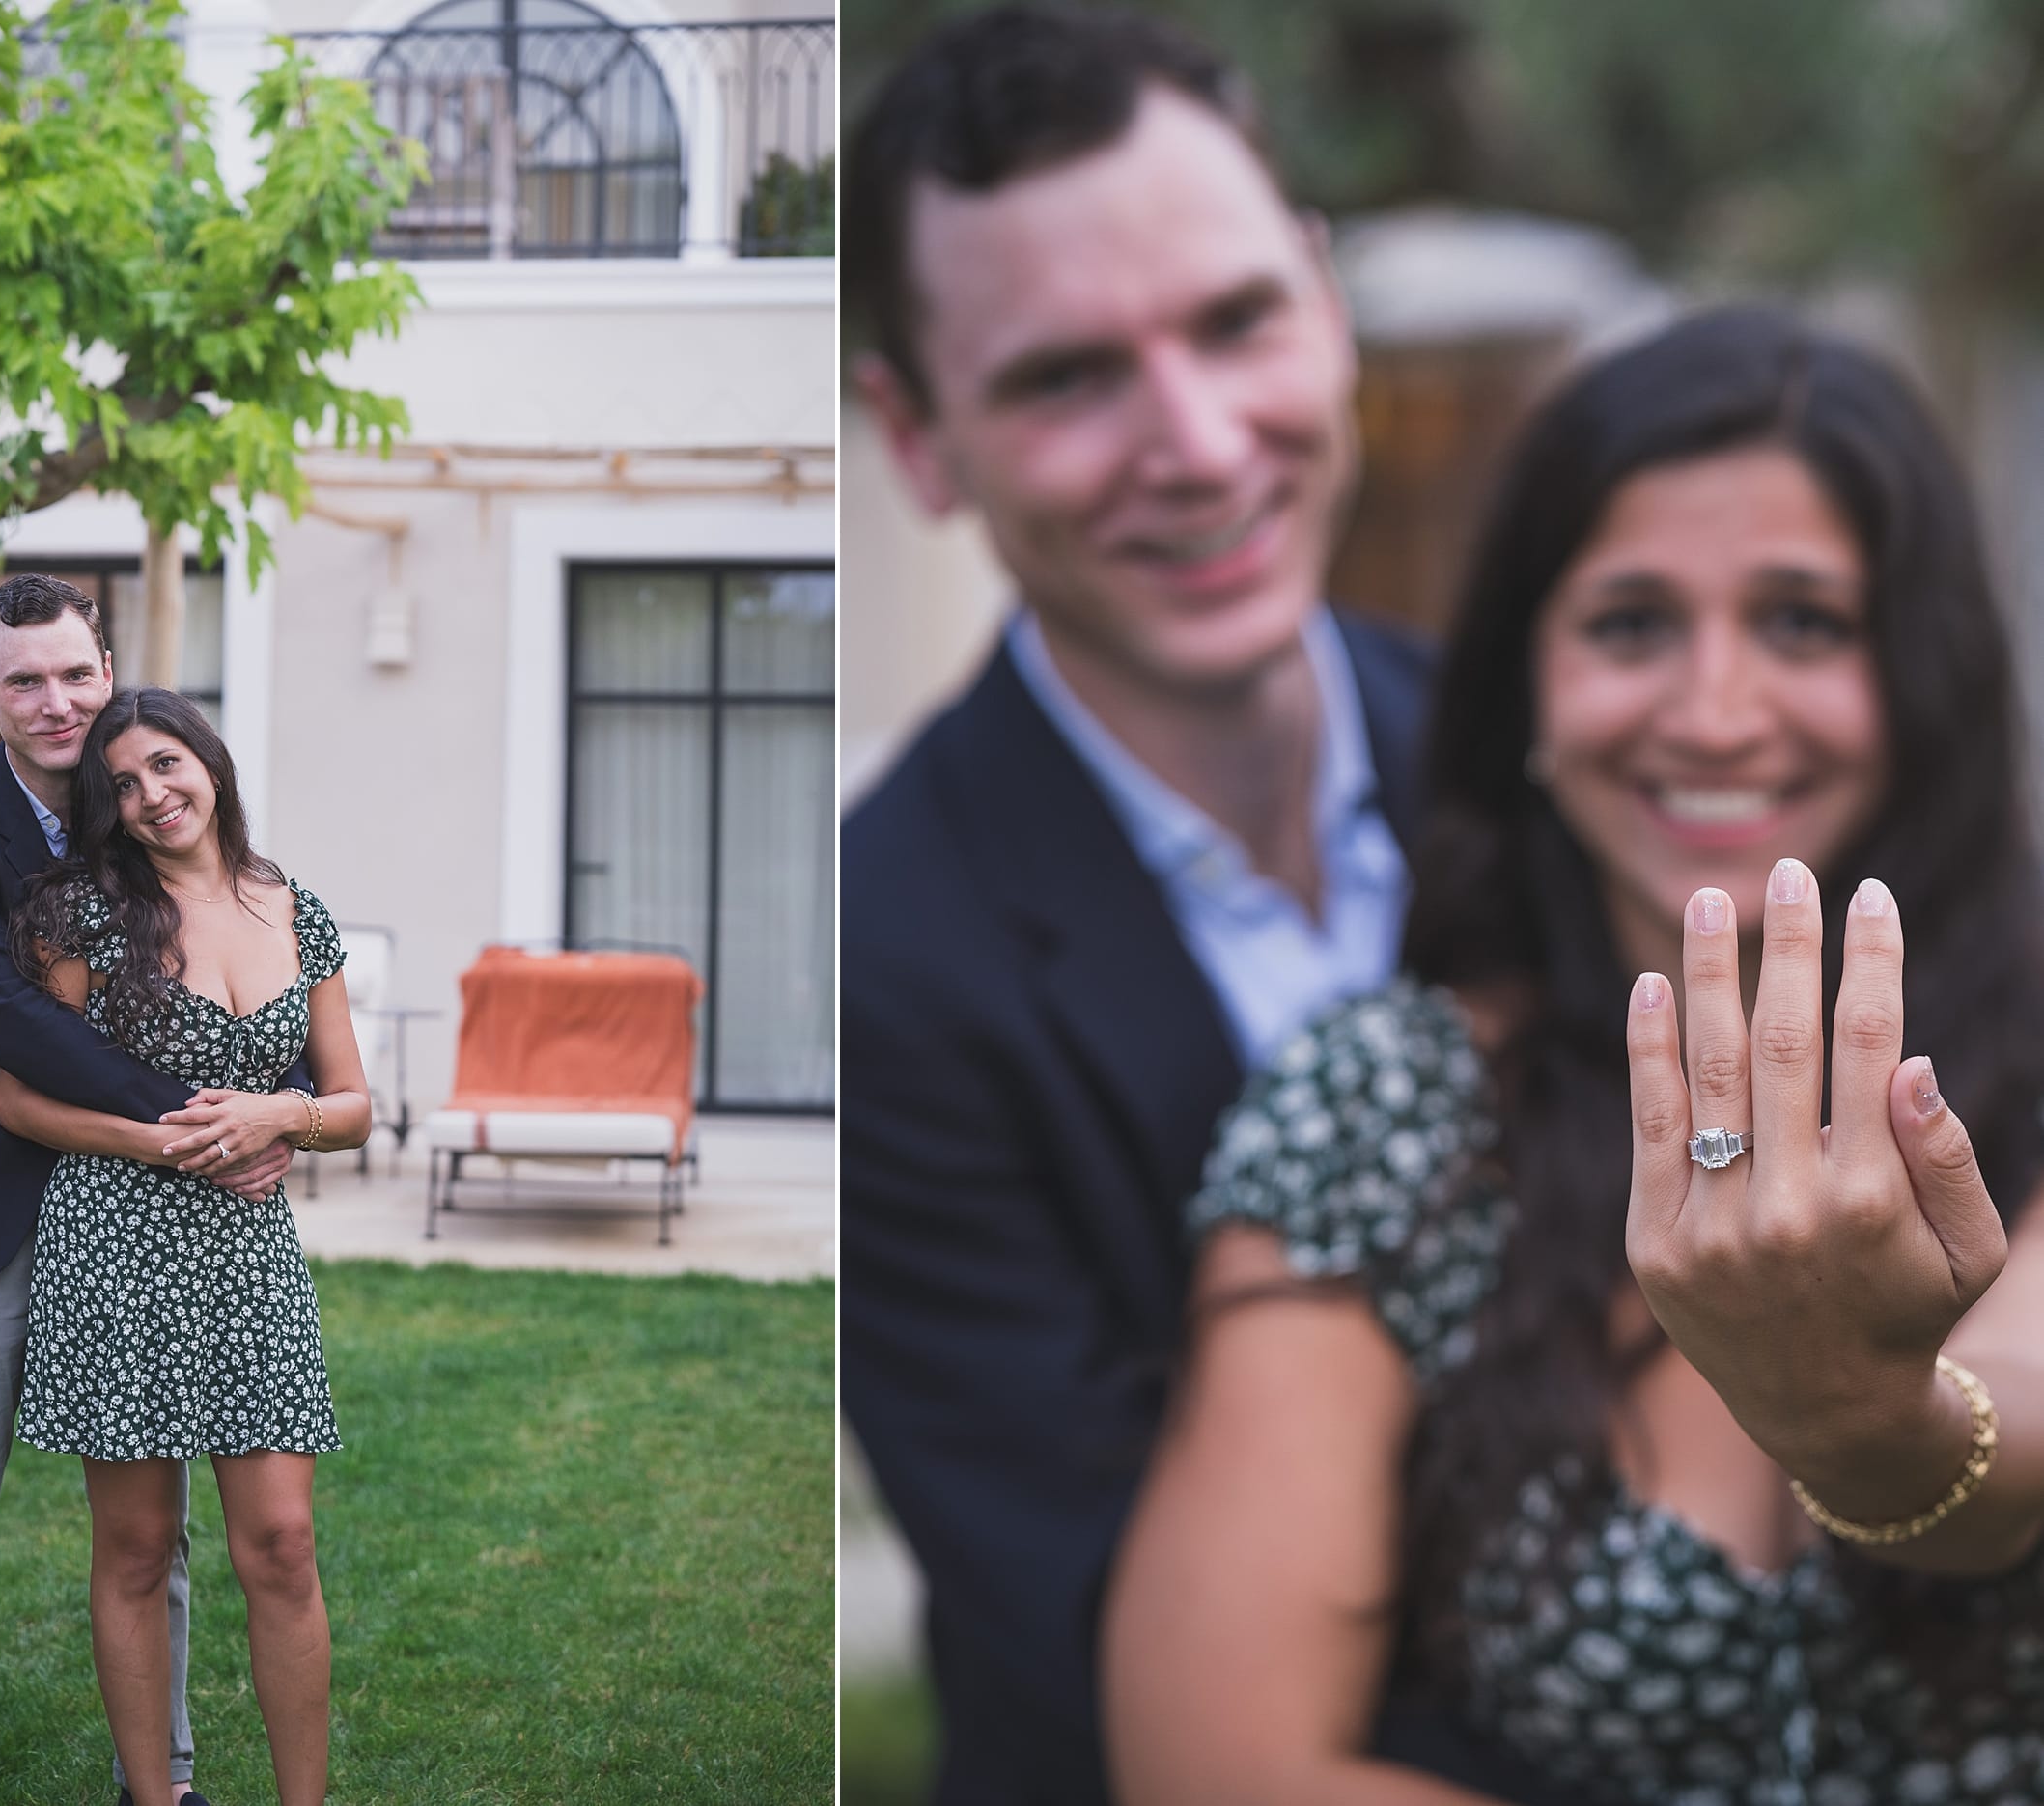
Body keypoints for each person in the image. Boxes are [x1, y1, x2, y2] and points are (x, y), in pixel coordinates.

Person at [1103, 308, 2044, 1803]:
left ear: (1919, 673)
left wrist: (1869, 1424)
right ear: (1527, 683)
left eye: (1804, 621)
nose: (1716, 711)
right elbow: (1222, 1760)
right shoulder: (1390, 1107)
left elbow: (2013, 1427)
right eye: (1631, 623)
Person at [841, 9, 1563, 1801]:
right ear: (919, 438)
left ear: (1324, 299)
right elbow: (1107, 1639)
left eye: (1237, 320)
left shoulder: (1548, 769)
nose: (1197, 440)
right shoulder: (876, 969)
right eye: (1067, 377)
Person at [0, 573, 292, 1806]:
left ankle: (160, 1779)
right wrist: (204, 1120)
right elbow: (11, 1023)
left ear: (106, 669)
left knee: (151, 1524)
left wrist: (272, 1100)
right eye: (25, 680)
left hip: (147, 1222)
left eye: (74, 672)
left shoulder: (148, 803)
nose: (55, 701)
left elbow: (235, 962)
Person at [0, 685, 369, 1806]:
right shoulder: (84, 914)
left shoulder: (297, 909)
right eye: (122, 784)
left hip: (251, 1252)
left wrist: (280, 1114)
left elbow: (353, 1102)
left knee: (282, 1542)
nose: (152, 794)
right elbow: (22, 1099)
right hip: (117, 1241)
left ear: (209, 761)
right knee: (138, 1546)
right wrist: (175, 1143)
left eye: (166, 763)